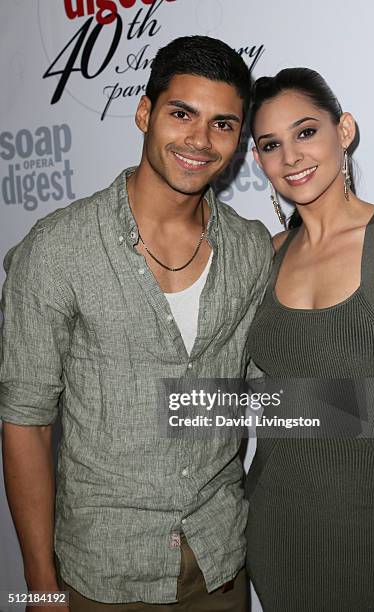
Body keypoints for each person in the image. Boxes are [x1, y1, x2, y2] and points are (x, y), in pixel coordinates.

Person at [0, 36, 274, 612]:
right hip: (100, 576)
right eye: (182, 114)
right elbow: (26, 422)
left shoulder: (251, 249)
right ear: (145, 113)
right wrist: (39, 589)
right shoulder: (55, 250)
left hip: (221, 565)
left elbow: (265, 398)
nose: (200, 140)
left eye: (223, 124)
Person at [245, 68, 374, 610]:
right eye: (271, 144)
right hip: (278, 522)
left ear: (345, 130)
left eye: (306, 131)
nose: (290, 157)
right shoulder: (265, 255)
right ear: (258, 160)